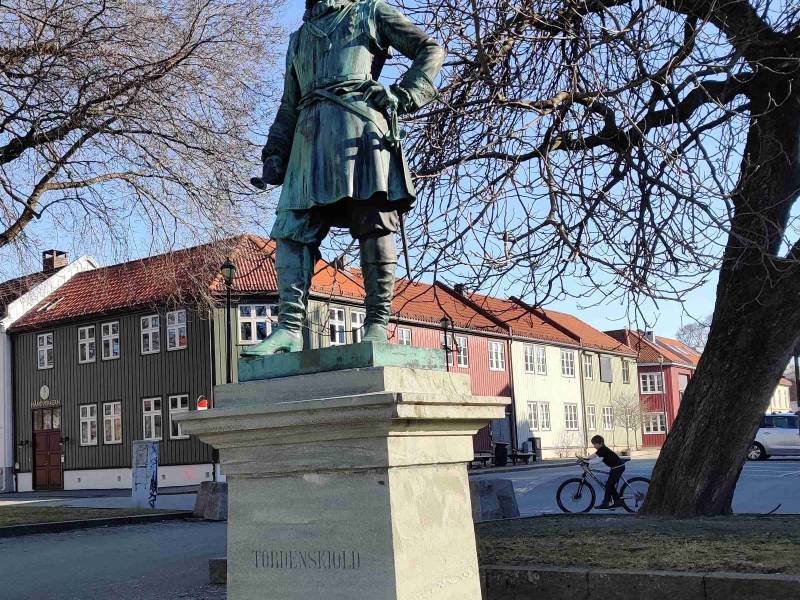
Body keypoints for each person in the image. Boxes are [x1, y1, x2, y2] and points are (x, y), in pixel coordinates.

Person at [244, 0, 445, 356]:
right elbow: (288, 103)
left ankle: (377, 325)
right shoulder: (299, 38)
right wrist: (275, 150)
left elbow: (429, 49)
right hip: (308, 139)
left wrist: (403, 94)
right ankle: (289, 327)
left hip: (359, 130)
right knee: (290, 230)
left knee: (375, 225)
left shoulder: (370, 12)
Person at [585, 435, 625, 509]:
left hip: (618, 468)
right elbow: (595, 456)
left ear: (600, 443)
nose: (594, 446)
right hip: (615, 468)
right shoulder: (602, 449)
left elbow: (596, 458)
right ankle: (617, 501)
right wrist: (586, 460)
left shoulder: (603, 449)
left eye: (594, 444)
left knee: (608, 485)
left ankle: (605, 504)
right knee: (610, 485)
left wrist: (586, 460)